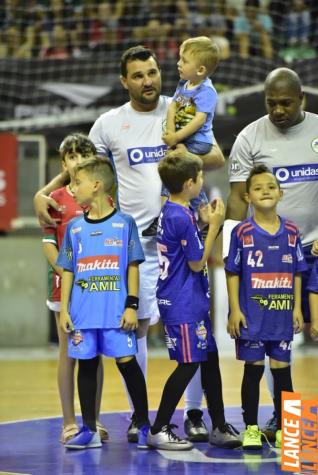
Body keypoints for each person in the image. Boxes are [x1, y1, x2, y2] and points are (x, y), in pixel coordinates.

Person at [33, 45, 225, 443]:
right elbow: (83, 170)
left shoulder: (182, 108)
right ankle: (140, 418)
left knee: (192, 331)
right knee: (132, 329)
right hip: (132, 248)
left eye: (153, 72)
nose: (148, 81)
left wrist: (183, 151)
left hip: (180, 243)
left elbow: (218, 156)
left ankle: (193, 414)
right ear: (125, 82)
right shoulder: (107, 123)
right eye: (138, 75)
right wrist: (44, 192)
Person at [223, 66, 318, 440]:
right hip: (269, 263)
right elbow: (235, 197)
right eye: (271, 104)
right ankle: (280, 422)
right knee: (274, 353)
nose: (278, 111)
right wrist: (231, 243)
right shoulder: (249, 137)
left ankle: (290, 423)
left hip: (312, 249)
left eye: (286, 104)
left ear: (302, 100)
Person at [147, 152, 241, 450]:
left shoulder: (176, 211)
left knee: (209, 360)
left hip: (191, 300)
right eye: (200, 177)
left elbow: (187, 248)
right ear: (190, 183)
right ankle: (159, 428)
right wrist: (216, 224)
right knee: (188, 365)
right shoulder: (179, 215)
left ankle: (219, 425)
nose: (203, 182)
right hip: (182, 301)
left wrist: (203, 225)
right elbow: (198, 263)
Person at [57, 158, 150, 449]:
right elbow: (68, 270)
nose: (73, 189)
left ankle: (145, 425)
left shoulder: (124, 224)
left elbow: (133, 266)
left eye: (77, 183)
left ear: (96, 185)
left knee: (128, 365)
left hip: (116, 313)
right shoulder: (74, 229)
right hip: (84, 314)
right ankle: (88, 430)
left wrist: (132, 305)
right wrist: (65, 309)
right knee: (86, 366)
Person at [225, 164, 306, 450]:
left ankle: (289, 429)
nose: (265, 192)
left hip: (282, 314)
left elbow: (297, 270)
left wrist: (296, 308)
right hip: (251, 316)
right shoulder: (242, 232)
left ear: (281, 193)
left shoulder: (292, 231)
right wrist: (234, 309)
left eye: (271, 187)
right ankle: (251, 429)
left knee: (283, 371)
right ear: (247, 196)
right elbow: (232, 272)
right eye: (258, 188)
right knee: (254, 370)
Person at [42, 133, 108, 444]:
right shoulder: (54, 198)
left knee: (94, 354)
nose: (78, 162)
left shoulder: (103, 197)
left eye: (84, 156)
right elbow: (48, 245)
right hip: (65, 289)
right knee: (69, 354)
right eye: (72, 157)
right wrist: (68, 275)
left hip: (98, 287)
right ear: (64, 163)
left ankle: (92, 422)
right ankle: (69, 423)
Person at [142, 36, 219, 237]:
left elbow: (199, 121)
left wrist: (177, 138)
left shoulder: (206, 91)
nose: (179, 63)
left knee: (174, 173)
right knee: (182, 178)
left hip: (198, 142)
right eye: (180, 59)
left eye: (184, 61)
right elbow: (173, 106)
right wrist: (170, 132)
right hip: (183, 138)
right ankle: (204, 215)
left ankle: (166, 217)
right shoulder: (184, 84)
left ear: (200, 70)